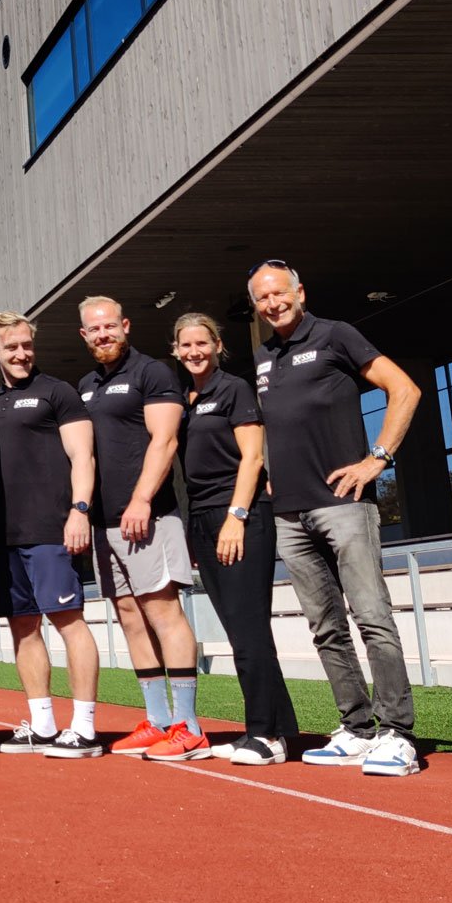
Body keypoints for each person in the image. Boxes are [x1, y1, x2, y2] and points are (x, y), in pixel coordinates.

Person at [248, 261, 422, 776]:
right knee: (325, 628)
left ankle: (398, 734)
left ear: (300, 292)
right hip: (290, 513)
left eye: (279, 293)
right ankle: (357, 728)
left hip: (344, 505)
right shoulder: (262, 357)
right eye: (261, 298)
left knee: (372, 618)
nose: (272, 303)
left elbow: (405, 390)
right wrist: (272, 475)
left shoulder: (336, 335)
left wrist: (377, 459)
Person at [74, 296, 201, 758]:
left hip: (148, 516)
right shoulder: (86, 385)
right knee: (129, 616)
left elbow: (164, 441)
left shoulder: (153, 373)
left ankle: (189, 726)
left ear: (125, 325)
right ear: (84, 335)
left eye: (110, 326)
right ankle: (158, 720)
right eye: (94, 329)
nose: (103, 334)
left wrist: (142, 500)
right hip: (104, 523)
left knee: (164, 613)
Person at [171, 313, 298, 764]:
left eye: (202, 343)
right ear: (175, 351)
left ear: (217, 345)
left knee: (248, 631)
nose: (194, 351)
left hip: (240, 515)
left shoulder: (234, 389)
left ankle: (265, 734)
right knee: (241, 630)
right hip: (202, 518)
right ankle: (275, 730)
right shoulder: (184, 399)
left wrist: (236, 516)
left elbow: (253, 458)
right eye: (185, 345)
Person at [0, 312, 106, 758]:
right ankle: (43, 724)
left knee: (68, 621)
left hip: (52, 528)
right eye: (11, 347)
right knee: (23, 627)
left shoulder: (58, 392)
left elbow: (83, 456)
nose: (21, 354)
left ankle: (85, 728)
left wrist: (79, 511)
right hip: (3, 535)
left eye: (26, 345)